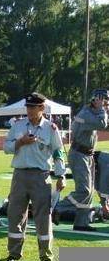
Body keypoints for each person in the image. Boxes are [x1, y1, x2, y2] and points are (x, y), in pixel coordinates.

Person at [3, 92, 65, 261]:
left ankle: (45, 255)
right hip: (20, 176)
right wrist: (20, 142)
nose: (29, 110)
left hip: (41, 176)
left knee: (43, 217)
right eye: (28, 107)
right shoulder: (17, 125)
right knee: (15, 215)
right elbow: (6, 147)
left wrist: (61, 175)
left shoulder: (51, 128)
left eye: (33, 107)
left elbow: (59, 151)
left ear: (42, 108)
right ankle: (14, 254)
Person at [54, 89, 109, 232]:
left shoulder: (90, 113)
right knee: (84, 191)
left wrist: (101, 109)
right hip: (79, 154)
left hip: (87, 155)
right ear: (95, 100)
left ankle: (81, 223)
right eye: (104, 100)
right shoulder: (86, 114)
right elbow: (103, 124)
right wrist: (101, 109)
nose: (106, 104)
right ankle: (57, 207)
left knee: (89, 192)